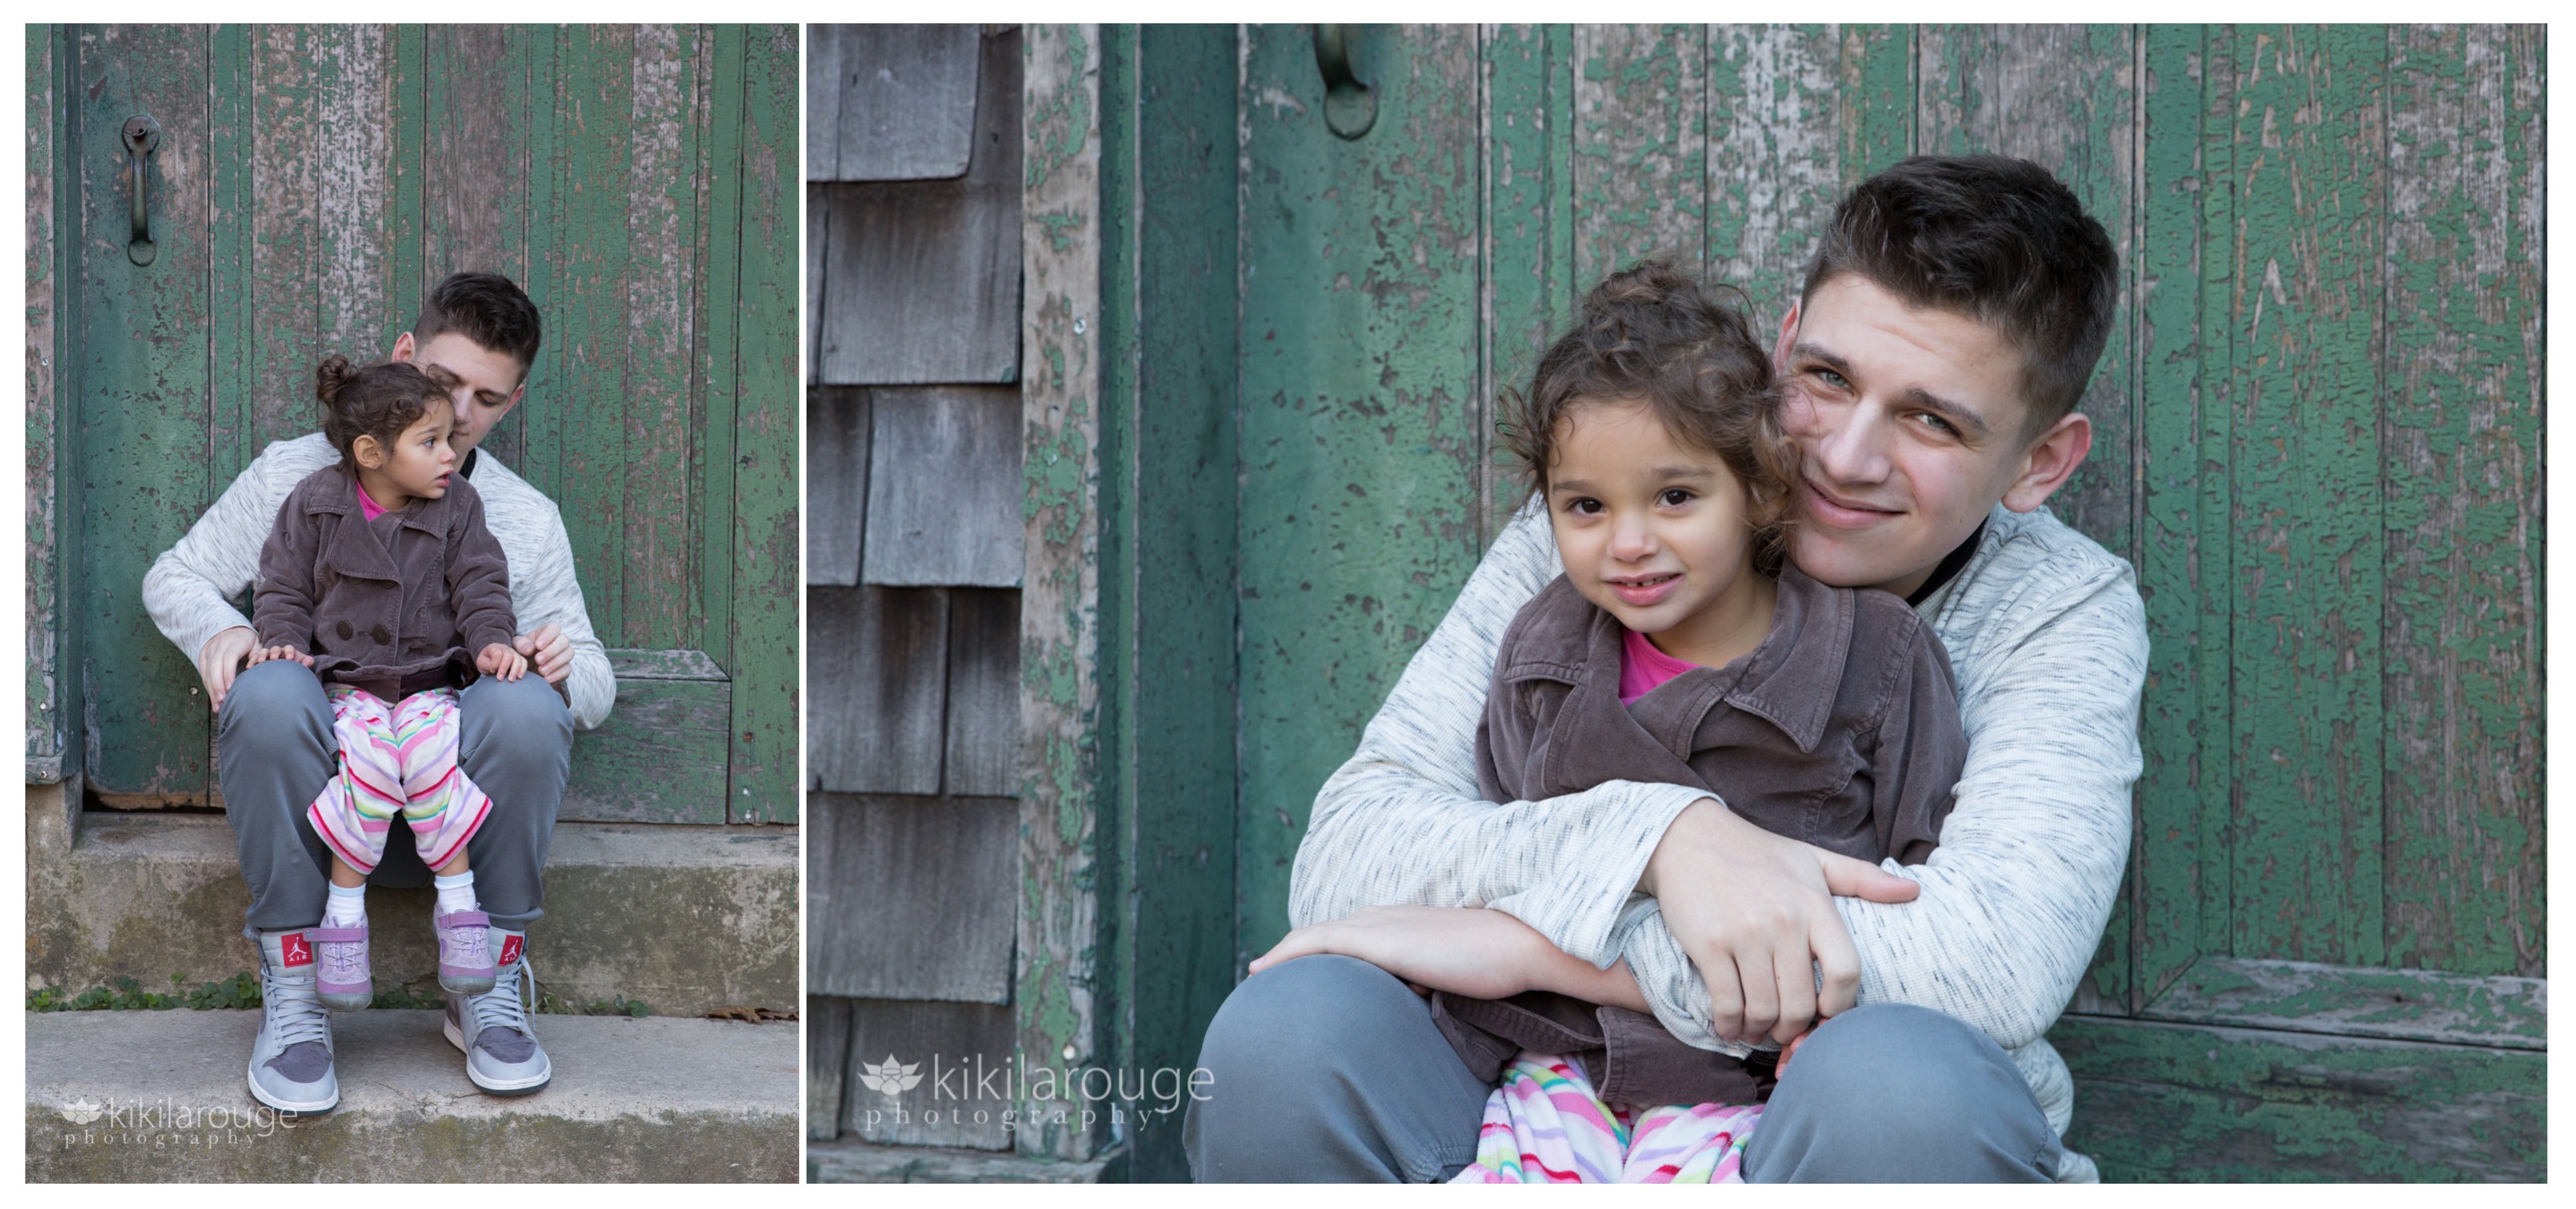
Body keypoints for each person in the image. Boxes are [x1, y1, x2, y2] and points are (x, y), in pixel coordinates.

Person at [1186, 154, 2146, 1183]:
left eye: (1929, 419)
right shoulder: (1627, 521)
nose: (1845, 458)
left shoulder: (2059, 606)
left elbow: (1991, 963)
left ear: (2042, 462)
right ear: (1783, 347)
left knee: (1903, 1091)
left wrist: (1534, 952)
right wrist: (1664, 837)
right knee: (1284, 1040)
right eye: (1826, 379)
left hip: (1809, 1115)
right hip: (1521, 1094)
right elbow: (1349, 858)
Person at [1254, 262, 1970, 1182]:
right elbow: (1500, 851)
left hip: (1761, 1082)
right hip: (1554, 1068)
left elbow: (1921, 877)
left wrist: (1838, 1025)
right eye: (1586, 507)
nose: (1628, 542)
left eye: (1675, 498)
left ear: (1758, 489)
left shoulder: (1875, 656)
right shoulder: (1543, 651)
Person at [144, 272, 614, 1114]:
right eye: (444, 383)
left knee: (529, 705)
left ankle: (488, 983)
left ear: (514, 402)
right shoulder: (298, 478)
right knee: (268, 692)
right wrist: (221, 631)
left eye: (488, 398)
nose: (462, 416)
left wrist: (561, 661)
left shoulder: (519, 515)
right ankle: (295, 981)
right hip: (328, 814)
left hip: (453, 820)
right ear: (403, 356)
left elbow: (600, 685)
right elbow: (172, 575)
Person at [250, 355, 532, 1025]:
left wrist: (492, 637)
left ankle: (461, 910)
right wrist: (284, 637)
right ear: (371, 453)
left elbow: (481, 582)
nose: (448, 454)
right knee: (366, 769)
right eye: (429, 442)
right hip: (350, 686)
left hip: (429, 681)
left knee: (436, 761)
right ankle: (343, 925)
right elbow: (283, 586)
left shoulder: (458, 505)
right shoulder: (316, 504)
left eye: (447, 440)